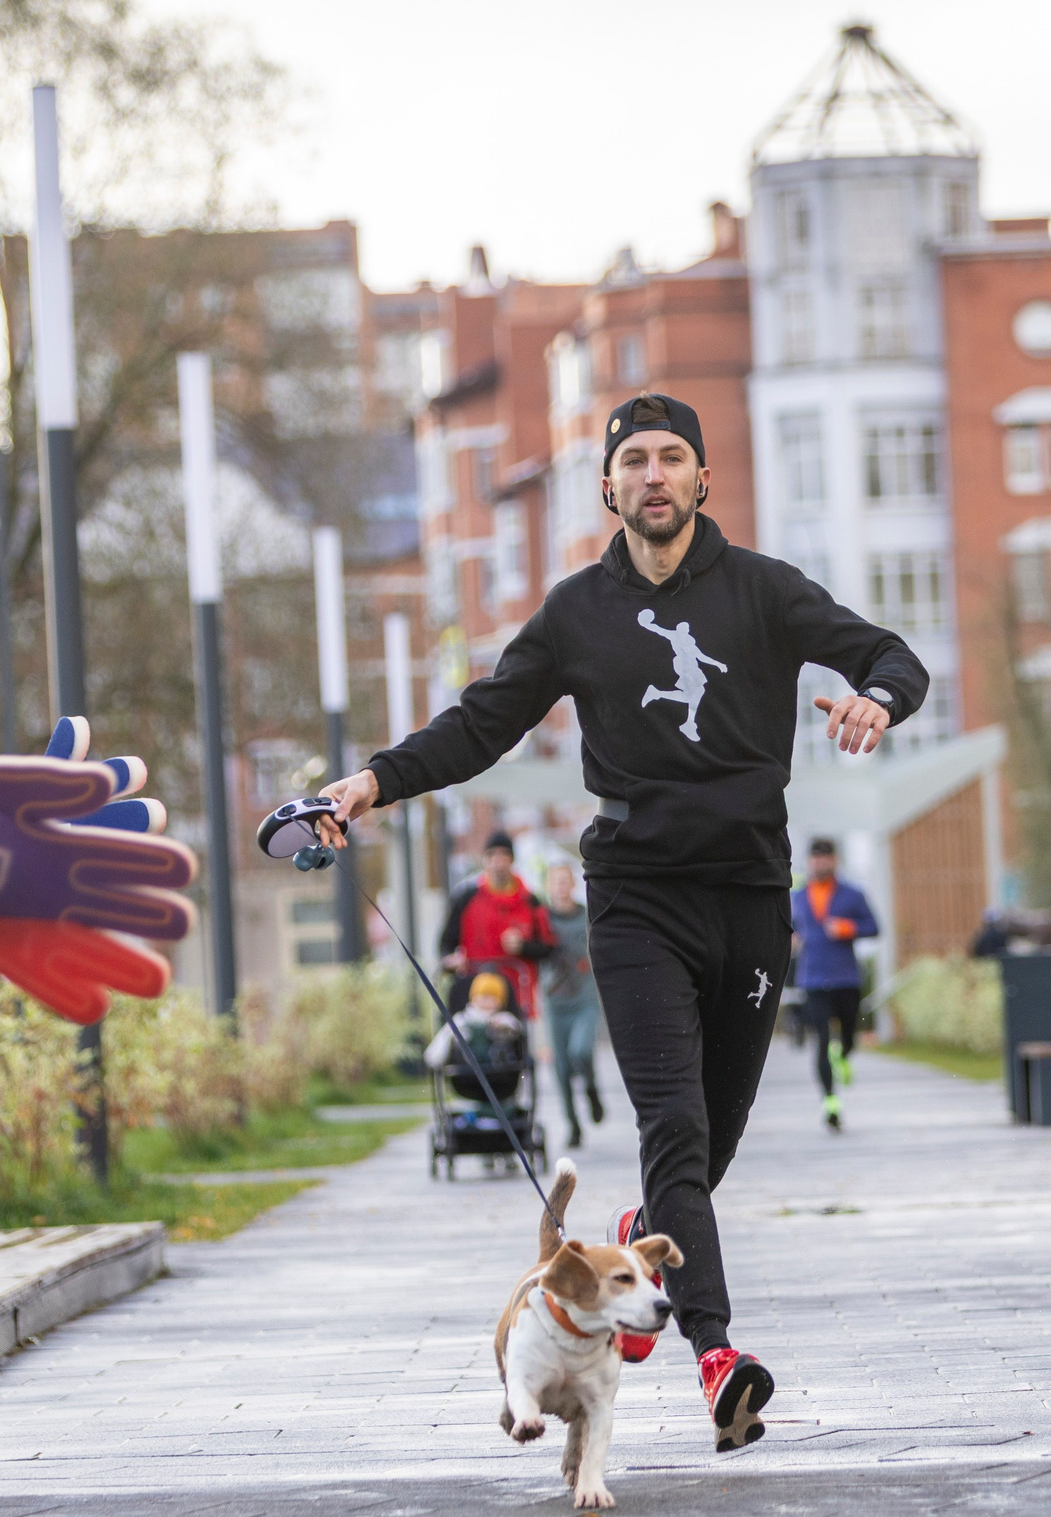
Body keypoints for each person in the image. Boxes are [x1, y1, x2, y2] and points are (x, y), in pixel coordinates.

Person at [313, 391, 927, 1453]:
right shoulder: (574, 614)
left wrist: (877, 699)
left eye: (671, 458)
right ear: (608, 486)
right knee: (673, 1128)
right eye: (633, 460)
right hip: (635, 900)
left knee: (709, 1142)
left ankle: (634, 1252)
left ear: (700, 481)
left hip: (746, 897)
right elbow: (480, 724)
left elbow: (889, 655)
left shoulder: (764, 592)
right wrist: (373, 781)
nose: (653, 475)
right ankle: (718, 1357)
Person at [790, 836, 878, 1133]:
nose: (819, 863)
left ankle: (845, 1054)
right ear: (808, 861)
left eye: (825, 857)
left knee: (848, 1036)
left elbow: (874, 927)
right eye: (814, 858)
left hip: (845, 978)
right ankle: (830, 1103)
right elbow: (787, 928)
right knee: (822, 1041)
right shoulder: (797, 897)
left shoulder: (852, 894)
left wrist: (847, 928)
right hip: (812, 979)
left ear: (834, 860)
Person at [437, 827, 555, 1014]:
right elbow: (446, 944)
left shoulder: (530, 901)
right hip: (476, 993)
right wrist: (451, 961)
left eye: (504, 856)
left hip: (516, 994)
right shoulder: (466, 897)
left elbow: (548, 947)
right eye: (492, 856)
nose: (498, 863)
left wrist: (523, 947)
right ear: (484, 860)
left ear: (512, 860)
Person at [539, 861, 605, 1149]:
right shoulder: (541, 919)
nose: (561, 887)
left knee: (580, 1050)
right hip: (555, 1000)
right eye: (556, 882)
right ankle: (573, 1125)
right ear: (548, 887)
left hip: (585, 997)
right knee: (562, 1069)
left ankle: (591, 1089)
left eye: (565, 881)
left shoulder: (587, 916)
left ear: (573, 885)